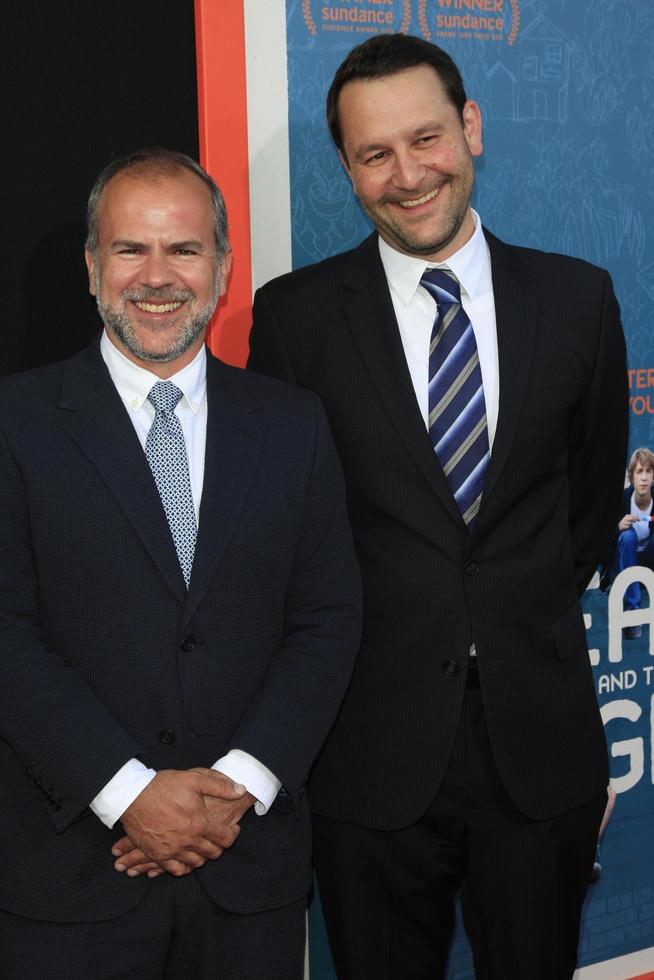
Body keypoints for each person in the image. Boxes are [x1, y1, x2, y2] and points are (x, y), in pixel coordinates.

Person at [248, 33, 628, 980]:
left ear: (472, 127)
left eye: (427, 138)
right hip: (367, 761)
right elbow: (286, 535)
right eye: (375, 153)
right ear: (345, 166)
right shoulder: (294, 318)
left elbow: (584, 507)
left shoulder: (578, 300)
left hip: (537, 751)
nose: (407, 174)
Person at [0, 147, 361, 980]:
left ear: (224, 267)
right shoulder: (15, 426)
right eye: (131, 249)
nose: (156, 276)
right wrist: (130, 792)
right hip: (69, 887)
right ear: (92, 267)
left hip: (249, 878)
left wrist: (234, 788)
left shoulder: (293, 424)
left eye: (184, 249)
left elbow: (328, 619)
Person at [606, 447, 654, 639]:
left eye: (648, 471)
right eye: (639, 471)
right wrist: (616, 527)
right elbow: (601, 541)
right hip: (624, 565)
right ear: (631, 477)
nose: (643, 478)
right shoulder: (621, 500)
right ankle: (633, 615)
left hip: (650, 563)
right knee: (628, 537)